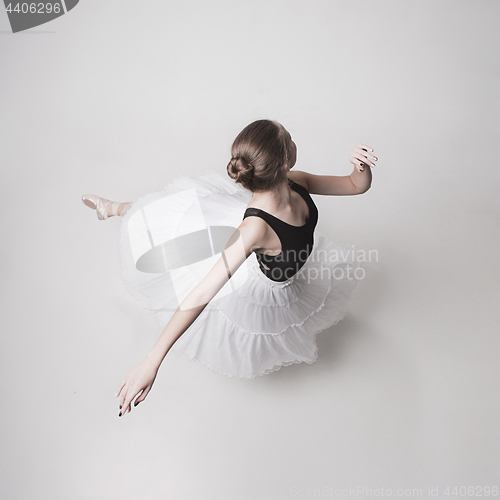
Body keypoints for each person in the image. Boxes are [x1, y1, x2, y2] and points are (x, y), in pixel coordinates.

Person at [81, 119, 377, 417]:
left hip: (273, 248)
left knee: (182, 221)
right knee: (167, 224)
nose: (294, 140)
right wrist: (151, 360)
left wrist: (360, 166)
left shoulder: (297, 181)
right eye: (290, 138)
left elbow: (354, 185)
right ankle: (116, 208)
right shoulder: (254, 230)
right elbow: (201, 293)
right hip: (262, 273)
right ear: (286, 159)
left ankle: (120, 208)